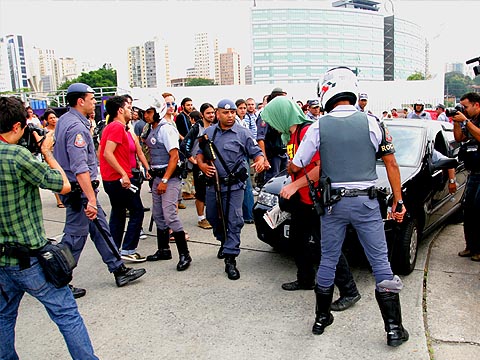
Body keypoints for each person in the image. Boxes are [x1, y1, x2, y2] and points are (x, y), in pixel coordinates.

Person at [290, 67, 409, 346]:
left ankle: (321, 318)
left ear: (325, 92)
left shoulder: (318, 125)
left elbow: (298, 163)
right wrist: (398, 200)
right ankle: (394, 329)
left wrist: (292, 164)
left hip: (333, 205)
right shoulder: (373, 121)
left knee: (329, 259)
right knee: (380, 263)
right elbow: (391, 163)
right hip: (366, 203)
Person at [0, 96, 98, 359]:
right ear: (18, 126)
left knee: (3, 319)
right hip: (29, 258)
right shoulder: (17, 156)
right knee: (66, 314)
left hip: (2, 260)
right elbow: (62, 184)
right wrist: (46, 153)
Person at [261, 96, 361, 312]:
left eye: (272, 120)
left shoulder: (307, 131)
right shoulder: (291, 134)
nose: (271, 126)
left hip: (316, 200)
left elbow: (320, 167)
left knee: (328, 245)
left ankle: (349, 291)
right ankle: (305, 279)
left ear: (281, 115)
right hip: (302, 200)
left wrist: (295, 186)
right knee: (298, 240)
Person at [54, 83, 146, 297]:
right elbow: (80, 168)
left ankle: (119, 269)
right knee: (74, 238)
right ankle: (60, 281)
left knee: (101, 230)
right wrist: (91, 200)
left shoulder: (66, 121)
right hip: (80, 192)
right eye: (91, 98)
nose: (95, 102)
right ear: (80, 101)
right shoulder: (76, 127)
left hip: (81, 191)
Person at [197, 99, 265, 280]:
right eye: (226, 113)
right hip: (214, 184)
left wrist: (259, 161)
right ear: (218, 114)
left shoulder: (243, 133)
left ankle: (230, 258)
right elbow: (199, 154)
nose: (230, 116)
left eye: (233, 112)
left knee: (234, 219)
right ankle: (224, 241)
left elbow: (257, 152)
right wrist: (202, 166)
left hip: (235, 186)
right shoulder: (209, 132)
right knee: (213, 217)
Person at [142, 97, 192, 271]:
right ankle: (163, 249)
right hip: (157, 176)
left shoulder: (166, 129)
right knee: (158, 215)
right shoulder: (151, 128)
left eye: (149, 112)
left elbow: (174, 156)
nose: (146, 115)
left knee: (170, 215)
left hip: (169, 178)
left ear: (158, 111)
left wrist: (164, 180)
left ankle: (185, 254)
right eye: (145, 112)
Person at [98, 95, 150, 262]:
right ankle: (128, 249)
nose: (131, 111)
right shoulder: (116, 127)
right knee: (137, 211)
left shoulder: (116, 127)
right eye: (128, 108)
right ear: (120, 110)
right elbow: (107, 153)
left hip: (113, 179)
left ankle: (114, 249)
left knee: (119, 213)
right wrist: (122, 174)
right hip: (118, 180)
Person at [452, 92, 480, 261]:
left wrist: (466, 121)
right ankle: (471, 246)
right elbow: (459, 138)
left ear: (476, 104)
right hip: (473, 173)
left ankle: (479, 250)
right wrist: (456, 122)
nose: (464, 110)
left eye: (466, 107)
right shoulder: (471, 121)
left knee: (478, 211)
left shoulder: (473, 121)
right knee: (468, 211)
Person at [181, 104, 215, 230]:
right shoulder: (197, 128)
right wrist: (193, 160)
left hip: (212, 164)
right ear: (202, 114)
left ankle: (213, 216)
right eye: (208, 113)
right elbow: (184, 145)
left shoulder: (215, 127)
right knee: (200, 193)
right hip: (199, 165)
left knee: (213, 191)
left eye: (212, 112)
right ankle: (201, 218)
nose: (211, 115)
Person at [256, 87, 288, 185]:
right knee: (273, 183)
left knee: (284, 182)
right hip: (272, 156)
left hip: (283, 154)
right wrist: (264, 159)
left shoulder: (282, 115)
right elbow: (260, 139)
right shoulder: (265, 115)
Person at [236, 98, 256, 223]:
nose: (243, 110)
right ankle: (248, 215)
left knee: (246, 185)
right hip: (240, 155)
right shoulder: (237, 122)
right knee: (246, 185)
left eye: (244, 108)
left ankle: (248, 214)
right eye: (241, 108)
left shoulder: (246, 120)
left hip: (247, 153)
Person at [42, 108, 64, 208]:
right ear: (46, 120)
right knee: (56, 177)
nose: (53, 120)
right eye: (51, 118)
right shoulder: (45, 132)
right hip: (51, 156)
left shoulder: (61, 128)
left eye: (54, 117)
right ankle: (59, 200)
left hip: (61, 155)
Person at [176, 97, 196, 201]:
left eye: (191, 104)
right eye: (188, 105)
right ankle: (185, 192)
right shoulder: (181, 116)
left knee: (190, 170)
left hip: (188, 144)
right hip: (184, 147)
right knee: (187, 169)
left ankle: (188, 190)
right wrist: (185, 140)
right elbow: (178, 130)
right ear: (183, 106)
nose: (190, 106)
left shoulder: (188, 116)